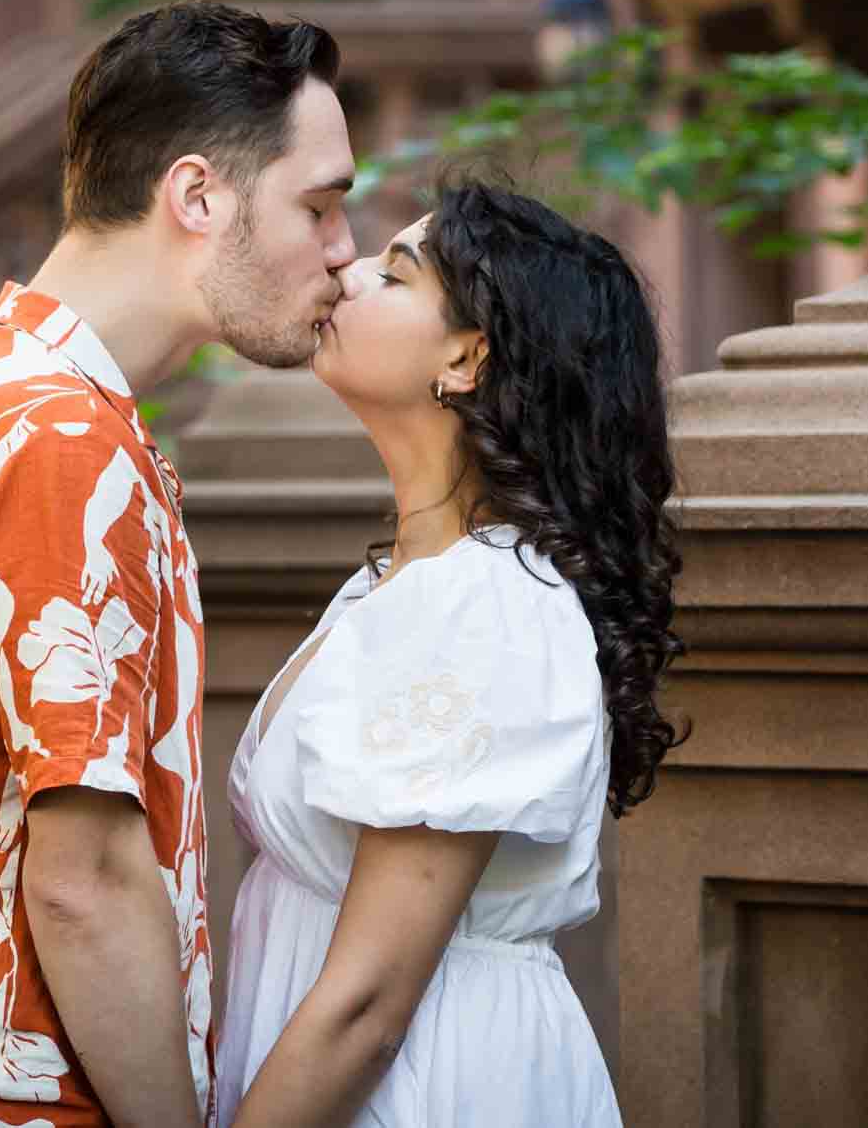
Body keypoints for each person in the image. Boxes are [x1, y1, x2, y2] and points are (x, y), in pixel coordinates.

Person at [0, 0, 359, 1128]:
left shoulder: (13, 393)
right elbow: (84, 880)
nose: (343, 246)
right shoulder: (59, 438)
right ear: (197, 196)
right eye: (319, 203)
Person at [213, 182, 686, 1127]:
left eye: (395, 273)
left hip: (430, 1082)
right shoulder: (408, 581)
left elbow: (368, 1009)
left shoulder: (489, 606)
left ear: (468, 357)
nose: (344, 272)